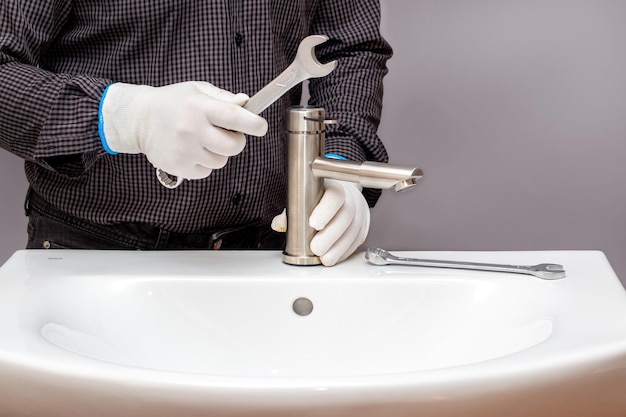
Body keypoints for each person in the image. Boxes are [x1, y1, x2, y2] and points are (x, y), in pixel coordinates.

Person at [0, 1, 392, 266]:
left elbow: (351, 52)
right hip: (92, 252)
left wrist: (338, 165)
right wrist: (128, 117)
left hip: (267, 251)